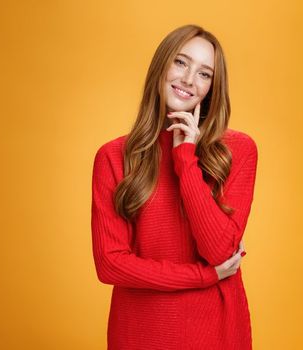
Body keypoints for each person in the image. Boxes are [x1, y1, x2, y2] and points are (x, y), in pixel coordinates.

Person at [91, 24, 257, 349]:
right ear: (162, 66)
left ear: (212, 87)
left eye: (204, 73)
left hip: (214, 332)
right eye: (181, 62)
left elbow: (219, 251)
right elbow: (111, 264)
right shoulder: (113, 157)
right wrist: (204, 276)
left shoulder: (238, 151)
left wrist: (185, 157)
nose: (189, 80)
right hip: (140, 332)